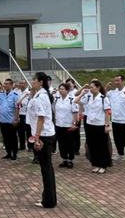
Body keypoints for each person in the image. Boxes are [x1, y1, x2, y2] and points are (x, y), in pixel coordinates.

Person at [28, 72, 57, 208]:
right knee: (47, 168)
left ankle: (49, 201)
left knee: (46, 168)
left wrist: (37, 137)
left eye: (34, 80)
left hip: (44, 134)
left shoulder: (41, 97)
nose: (32, 82)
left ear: (41, 82)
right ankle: (50, 198)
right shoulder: (42, 95)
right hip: (46, 133)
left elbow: (41, 117)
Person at [74, 81, 112, 174]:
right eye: (90, 87)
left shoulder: (103, 98)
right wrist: (82, 93)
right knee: (92, 145)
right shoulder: (88, 97)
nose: (90, 89)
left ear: (98, 87)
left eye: (92, 87)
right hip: (90, 124)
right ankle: (96, 164)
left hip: (100, 124)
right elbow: (76, 101)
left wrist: (107, 125)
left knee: (102, 145)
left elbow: (107, 113)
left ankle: (103, 165)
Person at [106, 75, 125, 163]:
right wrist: (107, 87)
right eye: (115, 81)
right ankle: (120, 153)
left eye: (118, 80)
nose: (116, 82)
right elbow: (103, 94)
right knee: (117, 138)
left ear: (123, 81)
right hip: (115, 119)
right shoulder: (112, 92)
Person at [0, 79, 20, 160]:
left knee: (13, 138)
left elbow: (17, 107)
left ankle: (14, 153)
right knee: (5, 138)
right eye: (4, 84)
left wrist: (16, 119)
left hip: (11, 121)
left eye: (7, 84)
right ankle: (8, 153)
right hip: (3, 120)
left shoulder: (15, 95)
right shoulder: (1, 95)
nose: (5, 85)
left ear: (11, 85)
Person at [54, 83, 79, 168]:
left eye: (62, 89)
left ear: (67, 90)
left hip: (68, 124)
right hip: (59, 124)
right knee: (61, 143)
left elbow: (75, 112)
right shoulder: (57, 99)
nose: (60, 90)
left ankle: (70, 159)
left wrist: (74, 123)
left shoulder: (71, 99)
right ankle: (64, 159)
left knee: (69, 143)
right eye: (59, 89)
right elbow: (55, 110)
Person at [66, 79, 81, 156]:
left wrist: (79, 114)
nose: (69, 85)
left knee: (76, 133)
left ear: (74, 84)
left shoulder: (77, 92)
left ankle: (76, 148)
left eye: (70, 84)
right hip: (68, 116)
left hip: (76, 114)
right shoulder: (66, 92)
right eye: (67, 84)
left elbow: (79, 103)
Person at [16, 80, 31, 151]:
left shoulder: (29, 92)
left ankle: (30, 145)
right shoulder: (17, 92)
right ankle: (22, 145)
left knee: (28, 130)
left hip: (26, 114)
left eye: (22, 83)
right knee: (20, 130)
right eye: (20, 83)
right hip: (19, 113)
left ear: (26, 84)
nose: (21, 84)